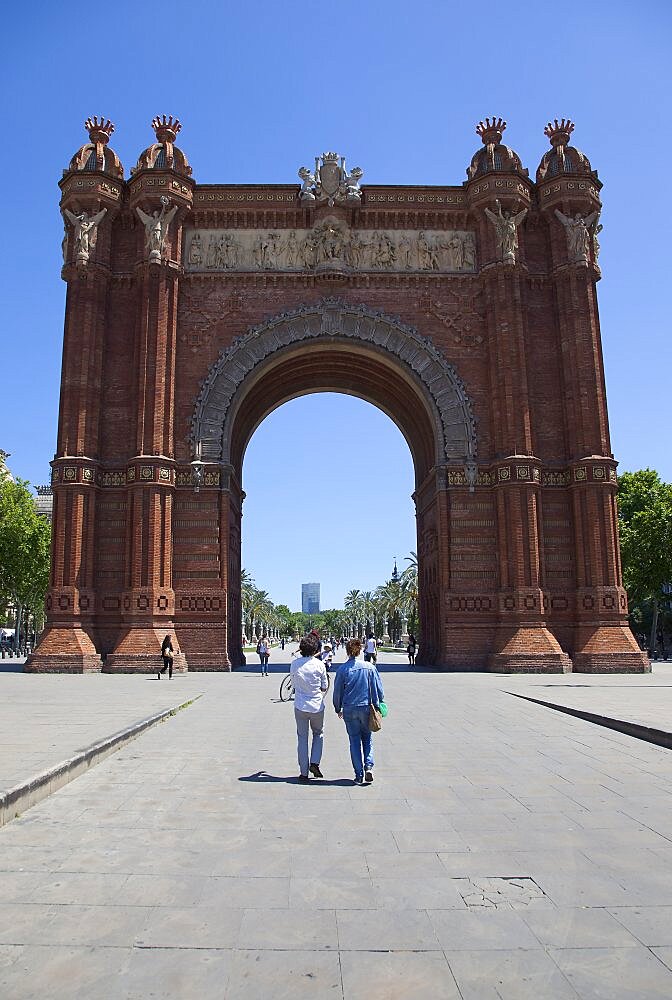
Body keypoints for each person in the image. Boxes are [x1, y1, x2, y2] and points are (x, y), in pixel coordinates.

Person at [333, 637, 384, 785]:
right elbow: (378, 689)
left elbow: (337, 692)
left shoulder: (342, 669)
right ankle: (368, 766)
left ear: (347, 651)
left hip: (349, 708)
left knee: (354, 740)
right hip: (366, 707)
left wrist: (338, 708)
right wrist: (379, 703)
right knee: (367, 738)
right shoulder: (370, 667)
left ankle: (358, 774)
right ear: (360, 650)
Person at [290, 633, 328, 782]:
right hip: (317, 706)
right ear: (314, 650)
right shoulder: (319, 665)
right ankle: (315, 762)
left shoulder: (294, 664)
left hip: (300, 705)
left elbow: (293, 684)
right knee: (318, 734)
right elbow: (324, 686)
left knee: (302, 738)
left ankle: (303, 772)